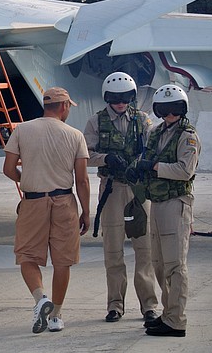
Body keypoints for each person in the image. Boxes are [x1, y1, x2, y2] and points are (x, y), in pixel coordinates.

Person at [2, 87, 90, 334]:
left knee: (27, 256)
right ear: (63, 106)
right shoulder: (75, 135)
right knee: (63, 262)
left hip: (33, 201)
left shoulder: (22, 130)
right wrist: (86, 212)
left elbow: (8, 168)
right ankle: (56, 316)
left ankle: (41, 299)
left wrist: (25, 178)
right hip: (63, 201)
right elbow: (82, 179)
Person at [84, 72, 159, 325]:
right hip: (112, 189)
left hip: (137, 189)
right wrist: (106, 159)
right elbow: (86, 155)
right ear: (107, 98)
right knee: (113, 250)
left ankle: (149, 305)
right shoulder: (96, 122)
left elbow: (152, 150)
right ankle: (115, 305)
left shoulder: (142, 120)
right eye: (116, 98)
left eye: (125, 98)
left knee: (144, 249)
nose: (120, 103)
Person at [126, 84, 200, 338]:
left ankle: (176, 320)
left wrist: (154, 166)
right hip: (156, 203)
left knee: (175, 265)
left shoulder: (187, 136)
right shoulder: (155, 133)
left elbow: (184, 170)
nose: (170, 115)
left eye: (175, 109)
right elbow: (146, 158)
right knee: (158, 263)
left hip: (176, 202)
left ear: (182, 110)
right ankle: (168, 314)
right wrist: (137, 168)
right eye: (164, 110)